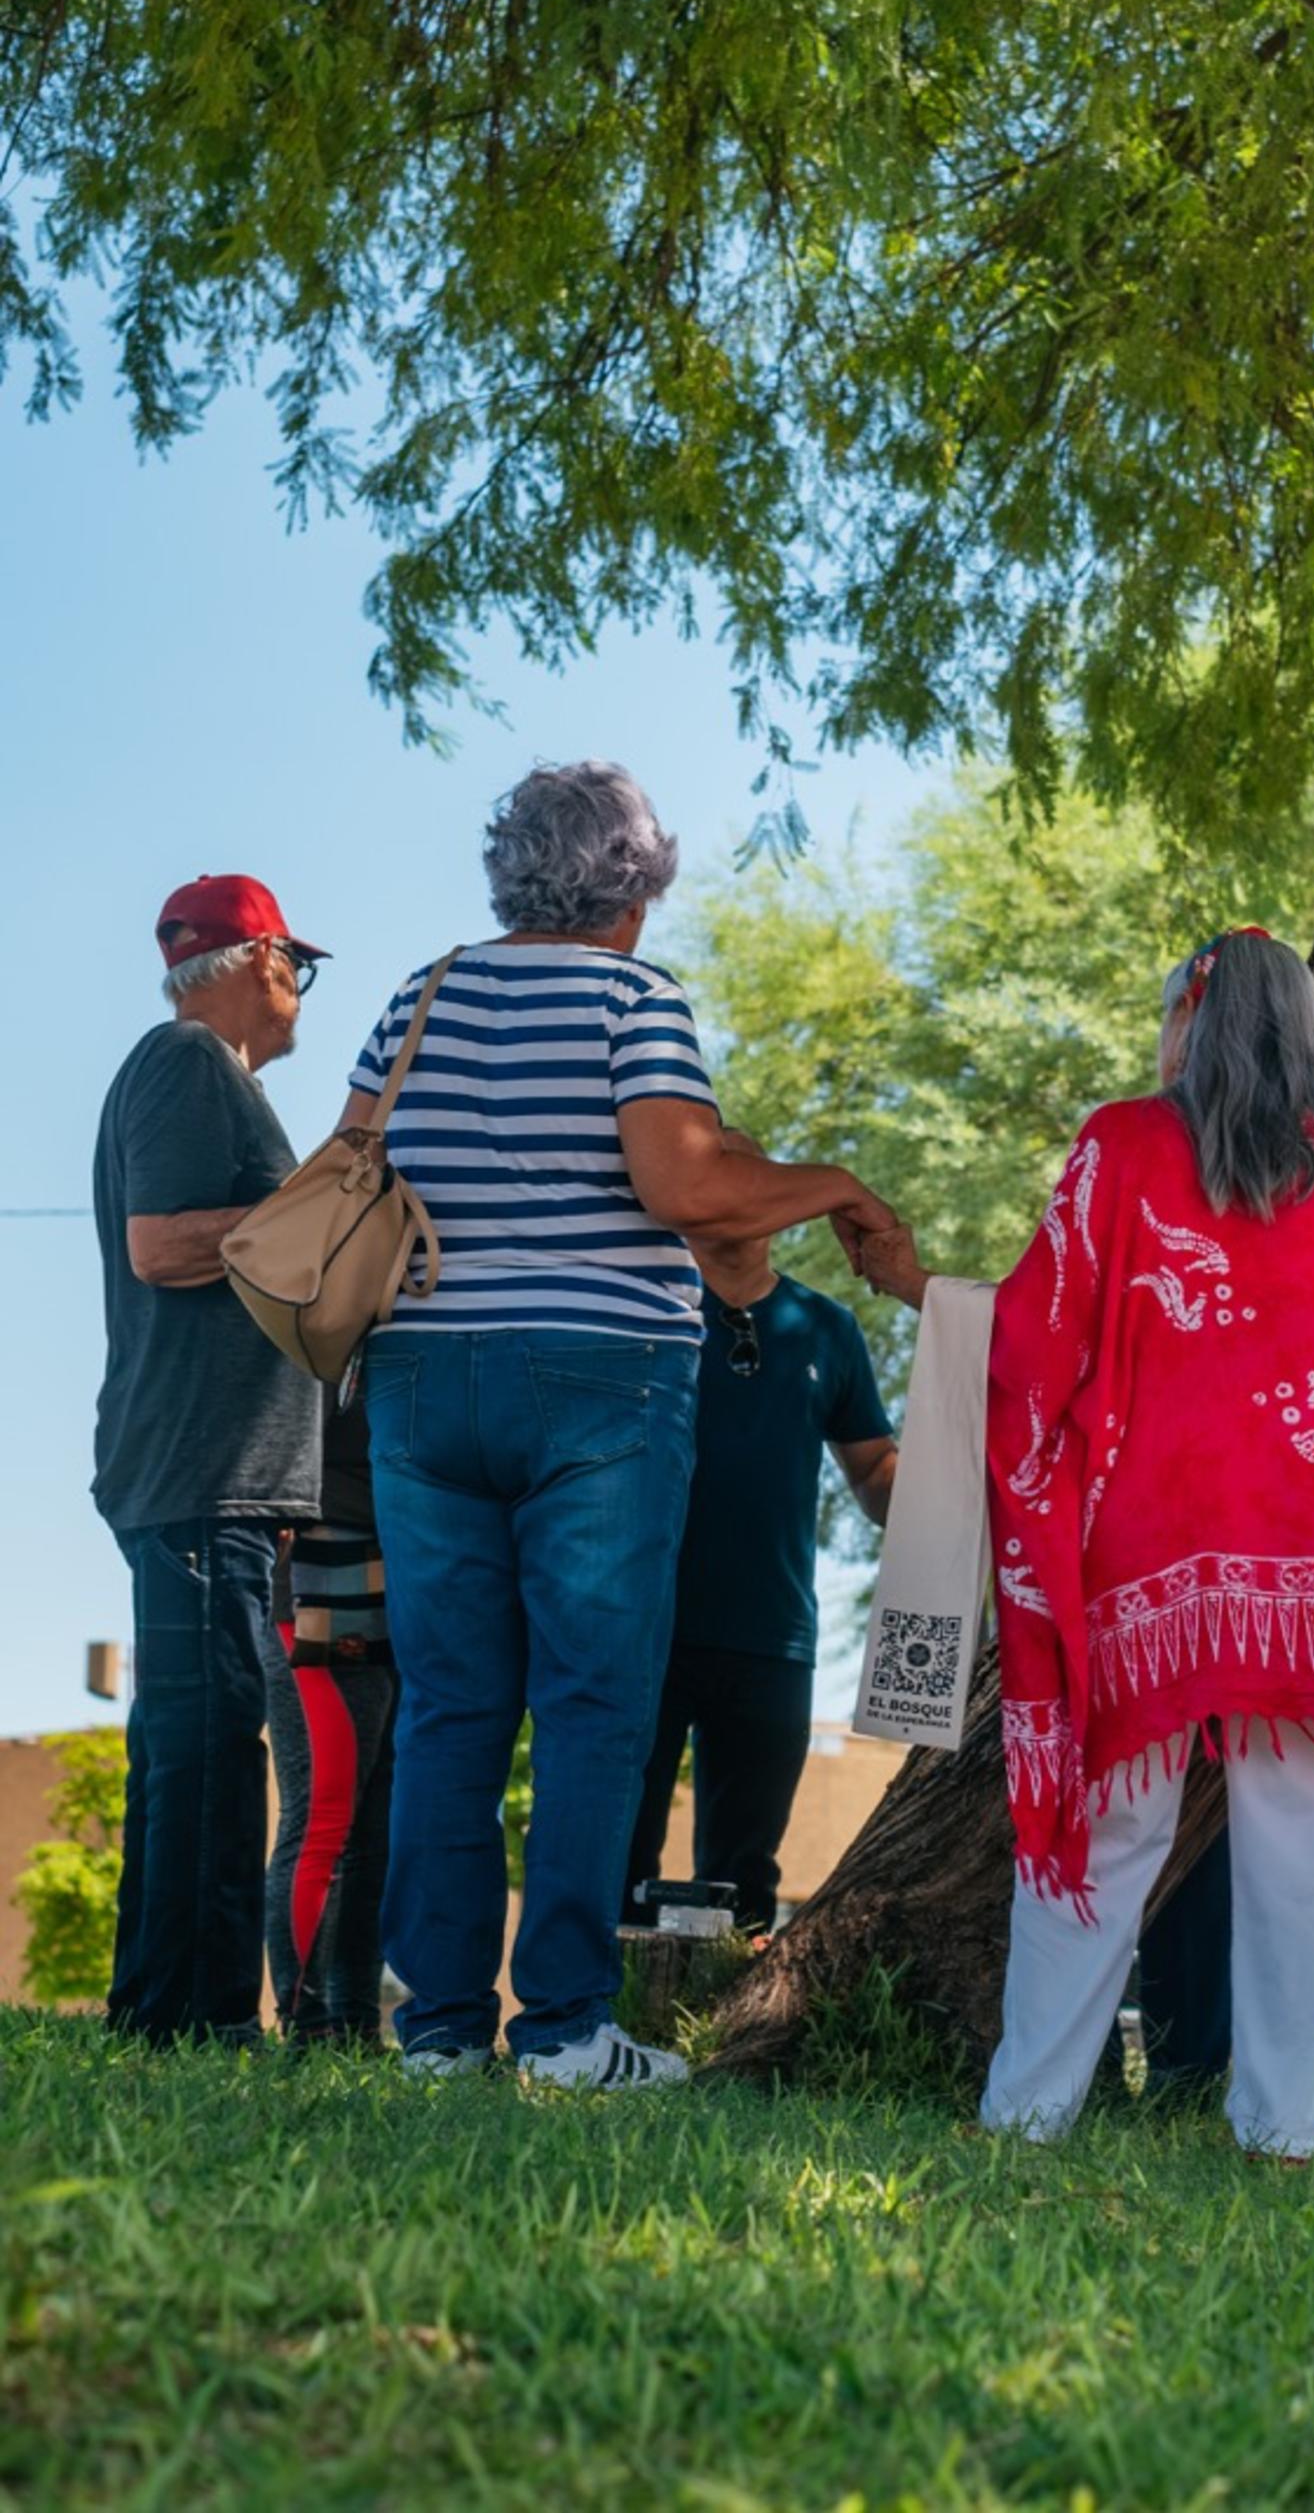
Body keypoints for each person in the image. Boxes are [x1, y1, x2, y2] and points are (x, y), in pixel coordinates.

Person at [863, 928, 1314, 2159]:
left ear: (1190, 1016)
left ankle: (1026, 2114)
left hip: (1151, 1564)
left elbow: (1035, 1339)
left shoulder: (1122, 1143)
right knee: (1307, 1851)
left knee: (1107, 1828)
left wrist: (925, 1293)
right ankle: (1283, 2137)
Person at [343, 761, 898, 2090]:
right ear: (633, 887)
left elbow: (349, 1170)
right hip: (598, 1375)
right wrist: (836, 1186)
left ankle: (433, 2035)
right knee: (592, 1703)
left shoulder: (416, 997)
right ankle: (563, 2032)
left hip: (421, 1375)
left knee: (450, 1709)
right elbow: (684, 1184)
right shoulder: (628, 995)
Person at [92, 875, 327, 2047]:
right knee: (207, 1742)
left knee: (192, 1739)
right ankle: (201, 2019)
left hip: (214, 1475)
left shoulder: (214, 1083)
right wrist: (330, 1215)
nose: (301, 991)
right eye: (298, 962)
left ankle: (158, 2010)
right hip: (202, 1472)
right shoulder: (187, 1062)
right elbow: (161, 1245)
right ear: (254, 958)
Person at [622, 1201, 898, 1936]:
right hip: (640, 1627)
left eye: (749, 1182)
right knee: (615, 1851)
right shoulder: (639, 1312)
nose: (733, 1199)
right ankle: (592, 2025)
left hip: (771, 1638)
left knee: (745, 1871)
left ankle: (730, 2038)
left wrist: (958, 1483)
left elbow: (874, 1469)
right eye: (713, 1181)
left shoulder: (826, 1326)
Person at [262, 1387, 397, 2045]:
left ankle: (355, 2026)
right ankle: (306, 2027)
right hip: (319, 1567)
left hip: (408, 1572)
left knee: (379, 1830)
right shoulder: (307, 1300)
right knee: (323, 1812)